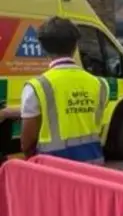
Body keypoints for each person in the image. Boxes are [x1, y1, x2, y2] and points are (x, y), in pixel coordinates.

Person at [21, 16, 108, 163]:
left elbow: (27, 141)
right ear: (75, 47)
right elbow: (73, 110)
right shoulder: (100, 84)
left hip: (55, 169)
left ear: (43, 48)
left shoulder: (37, 86)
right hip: (94, 165)